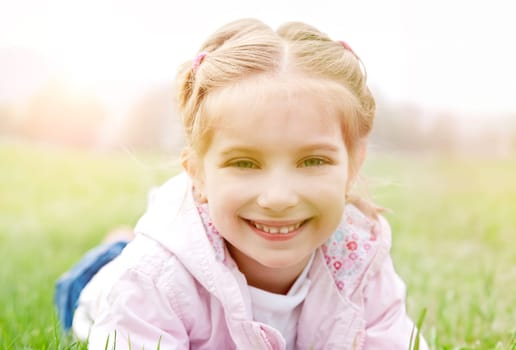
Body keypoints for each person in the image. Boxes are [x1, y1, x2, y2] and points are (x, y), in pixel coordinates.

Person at [55, 18, 428, 349]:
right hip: (103, 295)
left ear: (352, 166)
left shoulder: (361, 258)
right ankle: (116, 249)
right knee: (102, 275)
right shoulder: (151, 278)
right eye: (245, 162)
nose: (278, 197)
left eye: (313, 160)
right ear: (198, 174)